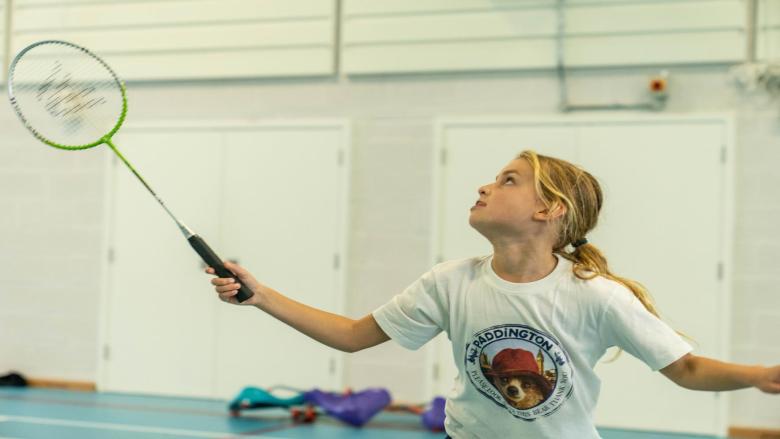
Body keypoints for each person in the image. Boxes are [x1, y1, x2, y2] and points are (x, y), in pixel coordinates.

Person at [206, 150, 780, 438]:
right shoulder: (450, 281)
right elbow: (355, 337)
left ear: (548, 210)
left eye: (508, 180)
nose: (485, 184)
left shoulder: (595, 296)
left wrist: (756, 375)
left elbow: (686, 368)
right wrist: (261, 295)